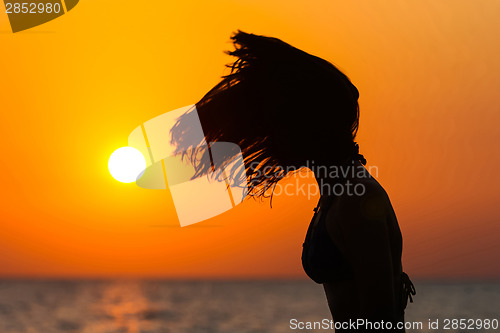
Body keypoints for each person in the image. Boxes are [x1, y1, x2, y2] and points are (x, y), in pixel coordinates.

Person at [170, 30, 415, 331]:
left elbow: (380, 321)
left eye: (284, 126)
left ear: (310, 129)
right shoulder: (336, 193)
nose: (276, 138)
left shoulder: (358, 198)